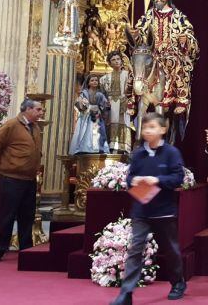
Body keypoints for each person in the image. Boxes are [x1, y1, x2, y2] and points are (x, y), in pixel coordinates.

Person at [110, 113, 186, 305]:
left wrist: (158, 180)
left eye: (152, 127)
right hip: (141, 211)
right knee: (135, 250)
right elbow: (129, 179)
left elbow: (178, 178)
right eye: (145, 128)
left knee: (170, 249)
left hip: (164, 210)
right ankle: (126, 294)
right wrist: (132, 181)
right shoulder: (138, 154)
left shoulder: (171, 153)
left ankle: (178, 282)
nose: (148, 131)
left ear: (162, 130)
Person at [0, 99, 45, 264]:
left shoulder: (35, 128)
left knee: (27, 217)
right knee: (7, 215)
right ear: (27, 109)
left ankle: (26, 250)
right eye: (39, 109)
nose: (41, 113)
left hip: (29, 179)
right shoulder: (11, 125)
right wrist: (3, 169)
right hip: (12, 179)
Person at [100, 50, 134, 153]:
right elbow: (102, 95)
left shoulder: (129, 75)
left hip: (124, 103)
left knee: (124, 123)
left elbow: (133, 92)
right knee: (111, 123)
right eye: (113, 60)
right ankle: (111, 147)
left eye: (118, 59)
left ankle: (124, 148)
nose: (116, 61)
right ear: (109, 63)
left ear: (122, 61)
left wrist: (130, 104)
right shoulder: (104, 78)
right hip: (111, 105)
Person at [69, 74, 110, 155]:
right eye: (92, 80)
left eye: (96, 80)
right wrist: (83, 103)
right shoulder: (84, 93)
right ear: (88, 83)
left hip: (97, 116)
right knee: (86, 131)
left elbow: (105, 105)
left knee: (98, 131)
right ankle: (85, 147)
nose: (94, 82)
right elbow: (78, 103)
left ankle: (99, 147)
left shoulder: (100, 94)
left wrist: (105, 106)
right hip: (86, 116)